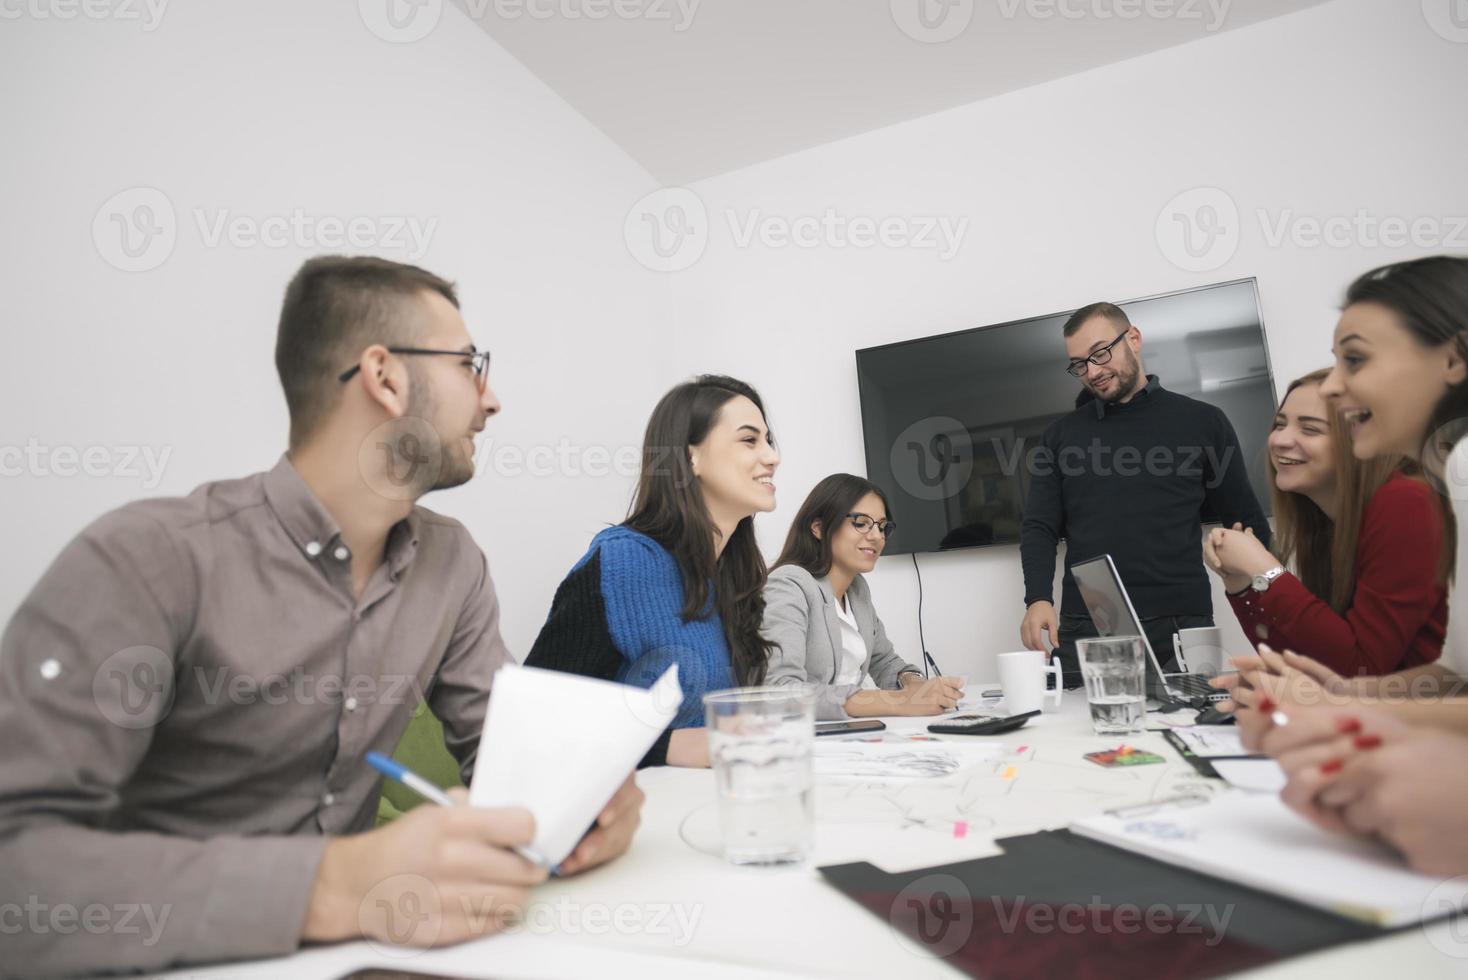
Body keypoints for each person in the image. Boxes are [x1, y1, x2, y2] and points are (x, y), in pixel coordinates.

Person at [0, 256, 644, 977]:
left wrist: (581, 803)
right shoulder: (145, 558)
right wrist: (338, 884)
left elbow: (507, 756)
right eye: (470, 364)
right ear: (385, 377)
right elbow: (15, 867)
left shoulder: (453, 564)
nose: (492, 400)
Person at [1220, 256, 1468, 873]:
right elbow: (1450, 676)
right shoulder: (1430, 486)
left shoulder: (1418, 494)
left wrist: (1267, 580)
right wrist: (1337, 693)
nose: (1334, 386)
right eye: (1281, 425)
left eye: (1353, 360)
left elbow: (1360, 657)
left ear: (1455, 359)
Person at [524, 375, 780, 768]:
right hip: (631, 812)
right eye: (749, 440)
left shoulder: (733, 575)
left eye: (768, 440)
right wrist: (675, 747)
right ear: (690, 457)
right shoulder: (624, 565)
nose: (772, 456)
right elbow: (537, 719)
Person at [1019, 301, 1271, 686]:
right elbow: (1038, 527)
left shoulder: (1203, 422)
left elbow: (1245, 520)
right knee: (1072, 732)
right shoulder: (1059, 437)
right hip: (1090, 620)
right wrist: (1037, 598)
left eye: (1101, 353)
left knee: (1193, 727)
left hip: (1181, 620)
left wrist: (1269, 598)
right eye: (1080, 364)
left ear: (1133, 339)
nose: (1093, 371)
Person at [1203, 368, 1446, 676]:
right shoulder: (1327, 527)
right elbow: (1303, 666)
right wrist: (1240, 584)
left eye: (1310, 429)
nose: (1279, 440)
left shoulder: (1407, 503)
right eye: (1280, 424)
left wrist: (1265, 568)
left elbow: (1360, 668)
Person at [762, 474, 965, 719]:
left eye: (882, 526)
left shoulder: (857, 589)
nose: (877, 536)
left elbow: (887, 662)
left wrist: (915, 685)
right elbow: (781, 692)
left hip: (849, 735)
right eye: (861, 522)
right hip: (801, 741)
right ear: (818, 527)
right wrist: (898, 701)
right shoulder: (789, 584)